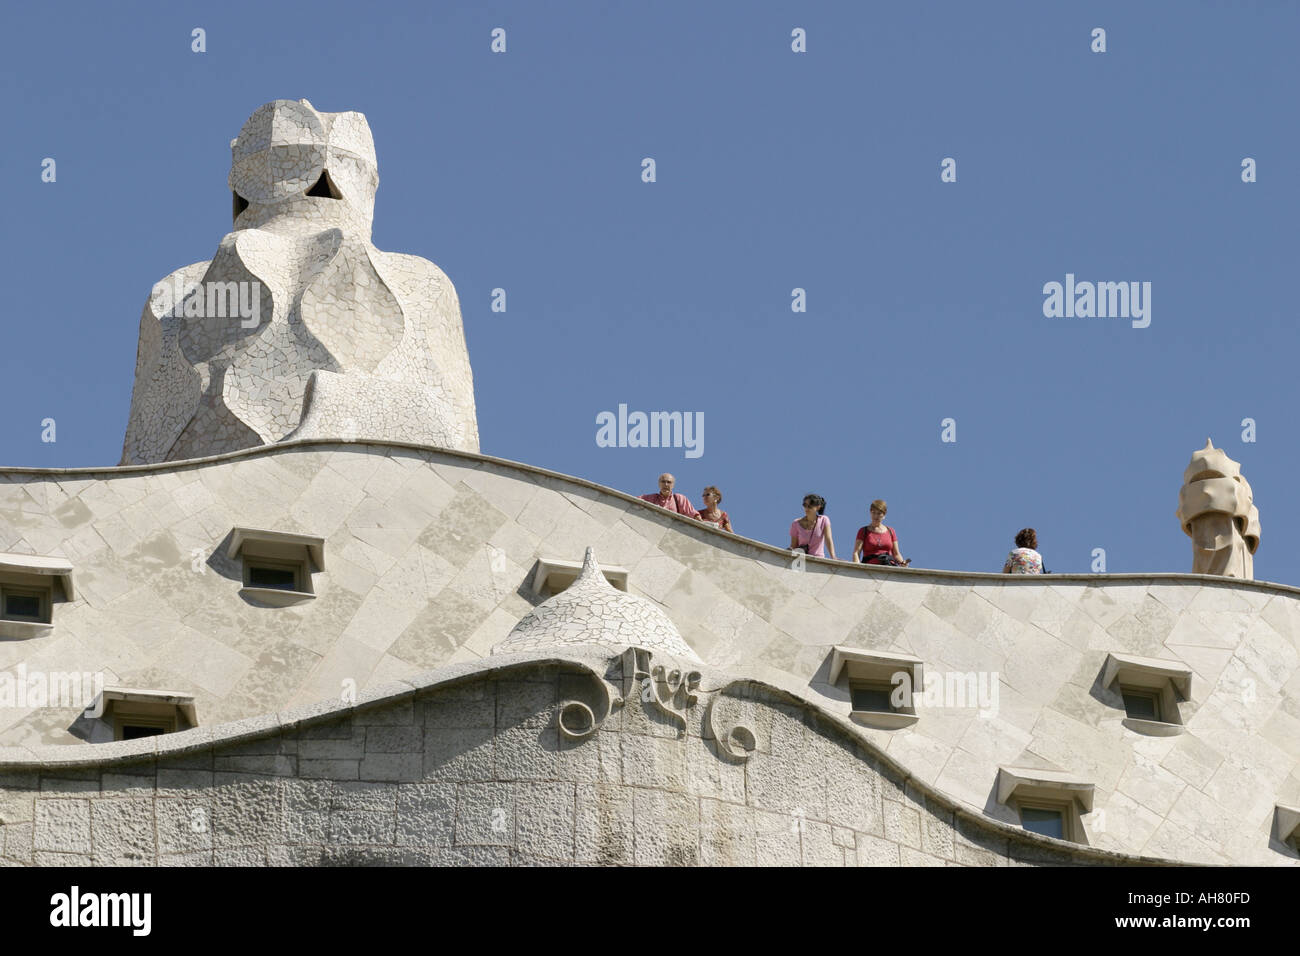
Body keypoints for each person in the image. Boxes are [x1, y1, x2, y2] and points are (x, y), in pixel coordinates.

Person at [853, 499, 910, 566]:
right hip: (870, 569)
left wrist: (903, 563)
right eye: (873, 512)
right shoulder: (863, 531)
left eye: (879, 513)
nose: (876, 516)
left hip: (889, 567)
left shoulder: (891, 531)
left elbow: (896, 554)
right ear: (870, 512)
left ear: (884, 515)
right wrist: (858, 568)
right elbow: (856, 553)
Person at [790, 494, 835, 559]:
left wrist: (833, 556)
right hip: (801, 561)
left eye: (810, 506)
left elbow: (828, 539)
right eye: (805, 505)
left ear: (818, 507)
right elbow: (793, 546)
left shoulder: (824, 520)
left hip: (818, 560)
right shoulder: (796, 524)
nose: (807, 508)